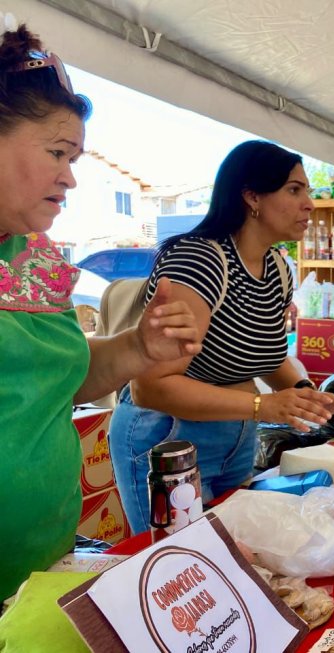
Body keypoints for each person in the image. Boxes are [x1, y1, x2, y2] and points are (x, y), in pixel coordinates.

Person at [0, 23, 202, 600]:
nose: (69, 177)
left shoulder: (34, 256)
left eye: (74, 157)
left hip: (41, 561)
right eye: (56, 152)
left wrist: (140, 346)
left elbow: (63, 377)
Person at [108, 140, 334, 535]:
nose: (309, 204)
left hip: (236, 432)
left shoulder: (277, 267)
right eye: (294, 190)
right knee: (179, 558)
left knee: (234, 550)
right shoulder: (199, 260)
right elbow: (150, 387)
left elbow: (267, 355)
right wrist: (262, 405)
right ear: (252, 197)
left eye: (307, 191)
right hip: (169, 436)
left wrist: (307, 394)